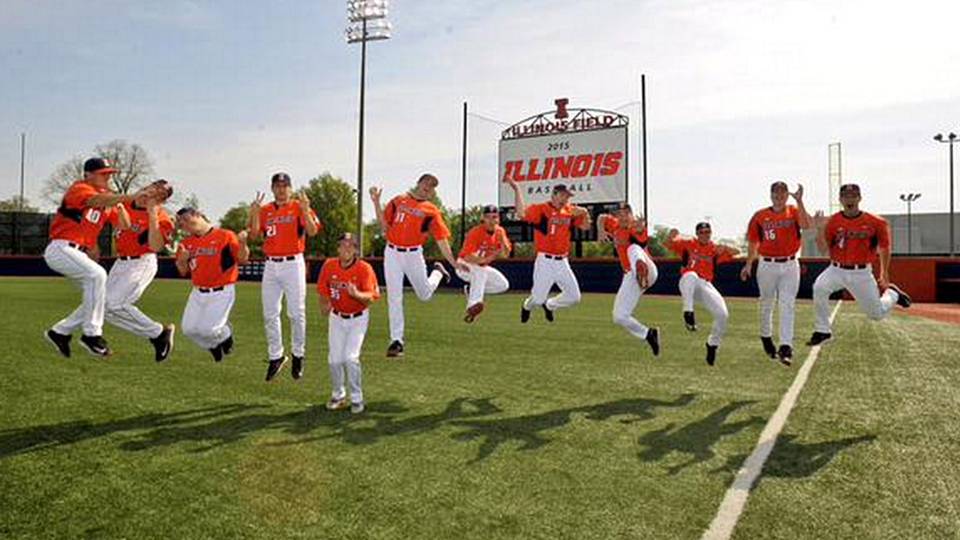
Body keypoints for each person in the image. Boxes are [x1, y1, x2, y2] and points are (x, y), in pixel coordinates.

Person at [44, 157, 133, 358]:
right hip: (60, 248)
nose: (108, 177)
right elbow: (95, 201)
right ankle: (91, 335)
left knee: (96, 295)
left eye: (109, 174)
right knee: (98, 276)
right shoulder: (80, 188)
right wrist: (128, 197)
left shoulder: (107, 198)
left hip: (77, 252)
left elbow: (124, 225)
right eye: (103, 174)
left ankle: (59, 333)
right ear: (88, 175)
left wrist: (120, 206)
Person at [369, 174, 466, 358]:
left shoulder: (431, 211)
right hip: (392, 252)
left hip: (413, 254)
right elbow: (384, 226)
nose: (428, 187)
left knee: (424, 295)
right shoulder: (398, 201)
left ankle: (437, 272)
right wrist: (376, 202)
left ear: (433, 192)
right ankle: (396, 341)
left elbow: (441, 239)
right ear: (419, 183)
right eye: (426, 182)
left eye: (432, 186)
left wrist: (453, 262)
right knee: (394, 297)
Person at [807, 183, 911, 346]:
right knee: (819, 287)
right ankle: (823, 331)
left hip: (861, 273)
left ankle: (892, 294)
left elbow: (884, 248)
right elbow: (823, 250)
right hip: (836, 269)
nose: (850, 199)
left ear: (859, 198)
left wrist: (884, 272)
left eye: (853, 196)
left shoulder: (876, 222)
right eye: (846, 196)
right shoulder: (833, 221)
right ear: (840, 199)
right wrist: (819, 230)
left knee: (876, 314)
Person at [247, 172, 321, 382]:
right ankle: (276, 356)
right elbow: (254, 235)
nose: (281, 189)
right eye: (277, 186)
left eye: (285, 186)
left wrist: (305, 210)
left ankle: (298, 354)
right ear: (272, 188)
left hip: (293, 263)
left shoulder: (298, 206)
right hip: (271, 264)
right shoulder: (265, 210)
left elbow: (312, 231)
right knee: (270, 313)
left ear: (291, 188)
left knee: (296, 313)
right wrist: (254, 214)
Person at [739, 181, 812, 366]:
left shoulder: (793, 210)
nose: (779, 196)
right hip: (767, 264)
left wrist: (800, 201)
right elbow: (753, 242)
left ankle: (786, 347)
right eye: (776, 193)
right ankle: (766, 336)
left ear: (787, 195)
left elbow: (806, 225)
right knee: (767, 303)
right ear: (771, 195)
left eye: (782, 193)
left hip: (790, 263)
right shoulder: (760, 216)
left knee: (787, 304)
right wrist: (748, 264)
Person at [104, 180, 177, 362]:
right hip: (120, 262)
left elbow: (155, 246)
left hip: (141, 262)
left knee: (115, 303)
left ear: (162, 201)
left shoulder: (162, 217)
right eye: (155, 189)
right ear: (147, 187)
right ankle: (157, 334)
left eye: (161, 196)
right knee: (104, 309)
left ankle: (159, 333)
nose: (155, 194)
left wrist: (152, 215)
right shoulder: (125, 203)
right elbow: (110, 216)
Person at [504, 178, 591, 323]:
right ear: (554, 194)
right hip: (545, 261)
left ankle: (550, 305)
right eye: (562, 195)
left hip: (562, 262)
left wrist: (585, 213)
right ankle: (526, 306)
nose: (565, 199)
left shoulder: (569, 211)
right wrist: (517, 189)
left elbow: (585, 227)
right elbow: (521, 213)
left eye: (567, 196)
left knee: (574, 297)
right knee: (538, 299)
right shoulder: (542, 209)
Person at [175, 207, 250, 361]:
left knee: (208, 330)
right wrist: (182, 260)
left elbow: (242, 259)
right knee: (188, 330)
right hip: (197, 291)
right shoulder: (186, 243)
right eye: (182, 224)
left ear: (198, 215)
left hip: (221, 291)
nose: (185, 225)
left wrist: (242, 243)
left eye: (187, 220)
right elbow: (183, 271)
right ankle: (213, 345)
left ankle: (226, 333)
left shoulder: (225, 235)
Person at [316, 233, 380, 414]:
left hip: (358, 318)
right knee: (334, 359)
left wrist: (356, 294)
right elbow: (323, 290)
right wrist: (324, 306)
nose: (346, 248)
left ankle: (357, 398)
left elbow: (371, 297)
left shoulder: (364, 268)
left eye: (350, 245)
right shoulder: (329, 265)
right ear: (338, 248)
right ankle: (338, 395)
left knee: (350, 358)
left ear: (356, 250)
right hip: (336, 317)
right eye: (343, 244)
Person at [665, 223, 739, 366]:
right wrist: (672, 235)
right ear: (697, 234)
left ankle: (712, 344)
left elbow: (737, 251)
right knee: (691, 275)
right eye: (702, 232)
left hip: (705, 285)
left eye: (707, 232)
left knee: (722, 315)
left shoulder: (714, 248)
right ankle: (688, 313)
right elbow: (668, 244)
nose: (705, 234)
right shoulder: (688, 243)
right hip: (688, 283)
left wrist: (725, 247)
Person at [597, 203, 660, 356]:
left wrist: (641, 229)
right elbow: (601, 217)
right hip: (631, 276)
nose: (622, 216)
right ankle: (648, 333)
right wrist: (600, 230)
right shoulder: (615, 225)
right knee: (619, 316)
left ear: (631, 215)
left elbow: (641, 241)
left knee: (633, 248)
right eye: (620, 214)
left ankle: (640, 269)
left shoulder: (635, 228)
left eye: (626, 213)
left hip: (649, 271)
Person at [455, 205, 512, 323]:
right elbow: (467, 256)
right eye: (488, 217)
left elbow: (505, 255)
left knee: (503, 285)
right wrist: (487, 259)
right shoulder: (475, 232)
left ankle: (472, 289)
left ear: (498, 219)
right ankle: (472, 306)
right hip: (464, 265)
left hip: (481, 267)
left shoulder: (500, 232)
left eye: (494, 217)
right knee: (480, 273)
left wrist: (503, 242)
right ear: (483, 218)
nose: (491, 220)